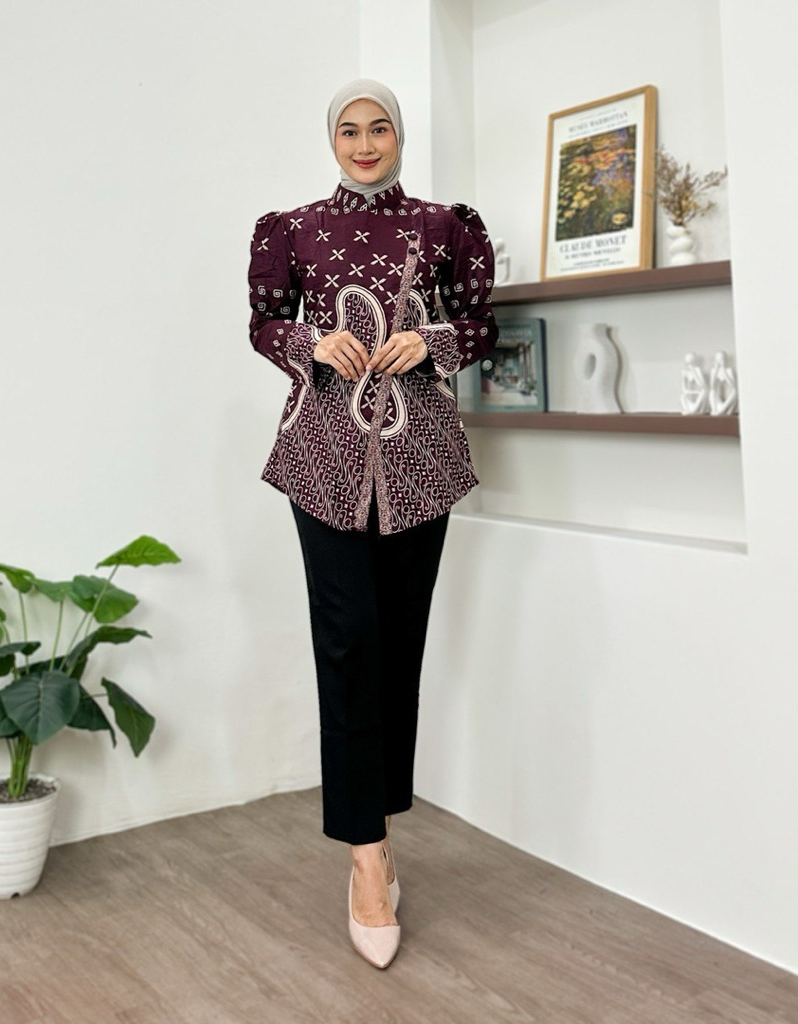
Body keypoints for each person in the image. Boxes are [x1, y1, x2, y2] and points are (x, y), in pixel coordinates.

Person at [248, 79, 497, 969]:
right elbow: (264, 323)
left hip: (420, 459)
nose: (364, 143)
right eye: (349, 130)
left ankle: (381, 827)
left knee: (398, 641)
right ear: (332, 140)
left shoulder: (444, 226)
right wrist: (308, 344)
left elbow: (478, 321)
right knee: (349, 639)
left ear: (399, 136)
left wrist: (435, 341)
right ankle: (366, 855)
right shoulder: (293, 229)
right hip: (322, 459)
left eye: (379, 128)